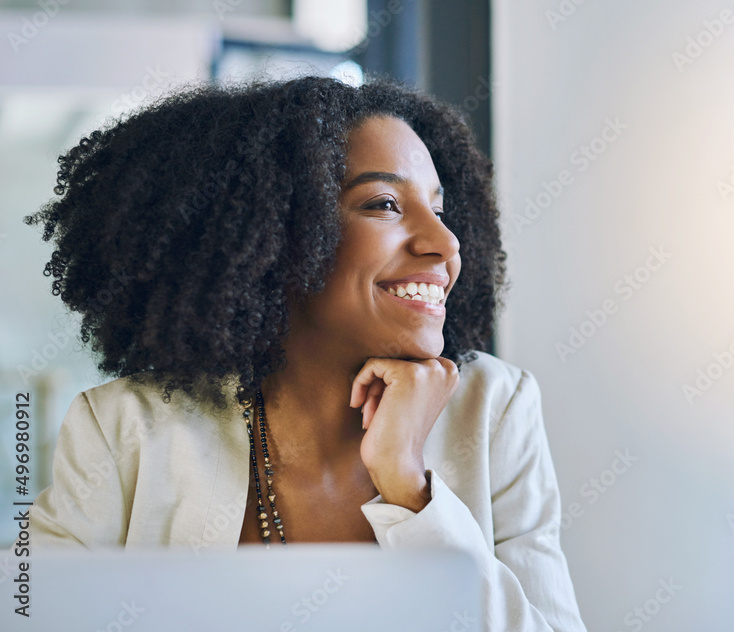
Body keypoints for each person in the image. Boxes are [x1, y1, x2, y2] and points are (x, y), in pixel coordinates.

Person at [20, 74, 588, 631]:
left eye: (439, 211)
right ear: (275, 235)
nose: (443, 243)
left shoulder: (493, 409)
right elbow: (28, 616)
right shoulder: (126, 430)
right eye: (385, 204)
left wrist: (410, 489)